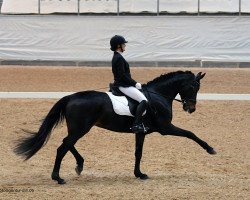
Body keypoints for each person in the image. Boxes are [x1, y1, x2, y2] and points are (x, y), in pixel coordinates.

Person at [110, 35, 149, 134]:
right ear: (119, 46)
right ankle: (136, 125)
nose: (125, 46)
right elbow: (123, 76)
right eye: (123, 44)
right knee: (144, 101)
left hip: (123, 84)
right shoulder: (118, 58)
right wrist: (135, 83)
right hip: (123, 86)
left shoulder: (117, 56)